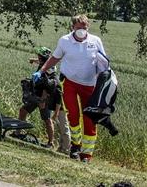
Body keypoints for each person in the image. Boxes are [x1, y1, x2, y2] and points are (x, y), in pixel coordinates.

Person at [35, 14, 108, 162]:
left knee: (89, 119)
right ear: (73, 27)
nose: (82, 30)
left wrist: (106, 81)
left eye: (84, 27)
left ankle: (86, 155)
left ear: (88, 27)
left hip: (90, 86)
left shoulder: (95, 41)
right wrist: (41, 70)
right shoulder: (65, 41)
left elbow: (104, 62)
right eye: (79, 27)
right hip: (69, 83)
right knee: (73, 115)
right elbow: (55, 57)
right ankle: (75, 146)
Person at [15, 47, 64, 149]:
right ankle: (18, 132)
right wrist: (34, 60)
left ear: (43, 57)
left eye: (39, 56)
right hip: (36, 96)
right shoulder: (44, 63)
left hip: (43, 99)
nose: (38, 57)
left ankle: (51, 143)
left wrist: (43, 99)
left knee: (47, 120)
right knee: (23, 111)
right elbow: (42, 63)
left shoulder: (49, 69)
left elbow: (48, 86)